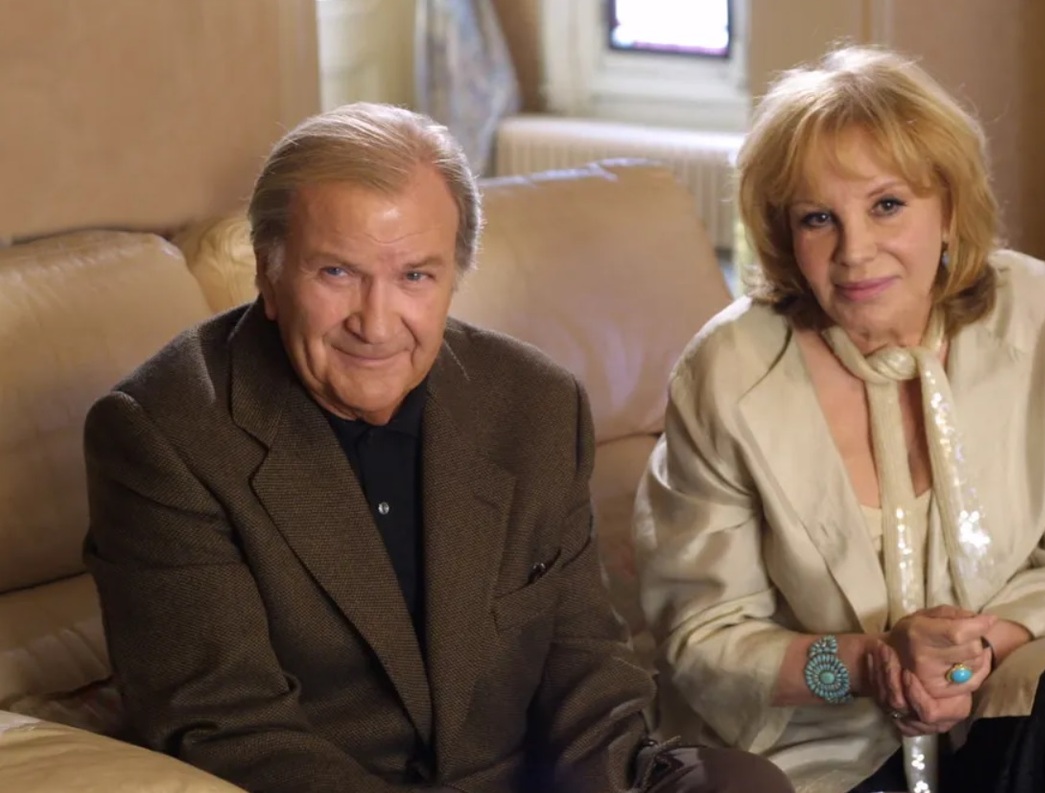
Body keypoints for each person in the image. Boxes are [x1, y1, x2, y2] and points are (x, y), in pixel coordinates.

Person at [83, 103, 793, 793]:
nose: (376, 323)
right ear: (269, 274)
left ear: (454, 276)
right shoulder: (163, 435)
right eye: (336, 272)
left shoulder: (534, 403)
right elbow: (229, 729)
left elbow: (585, 665)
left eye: (414, 276)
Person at [632, 46, 1045, 793]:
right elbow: (704, 638)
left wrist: (977, 653)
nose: (854, 252)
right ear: (785, 235)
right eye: (818, 218)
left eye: (887, 204)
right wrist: (871, 665)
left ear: (949, 207)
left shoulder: (1042, 313)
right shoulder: (725, 371)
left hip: (1002, 685)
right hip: (822, 736)